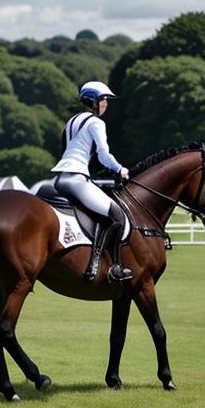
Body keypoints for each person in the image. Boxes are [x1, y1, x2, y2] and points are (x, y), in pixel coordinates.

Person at [51, 81, 133, 283]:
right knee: (117, 216)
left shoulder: (71, 121)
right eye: (104, 99)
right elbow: (104, 155)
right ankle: (106, 265)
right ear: (93, 101)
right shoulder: (96, 122)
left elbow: (68, 150)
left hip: (59, 178)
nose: (106, 103)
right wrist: (120, 169)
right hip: (76, 179)